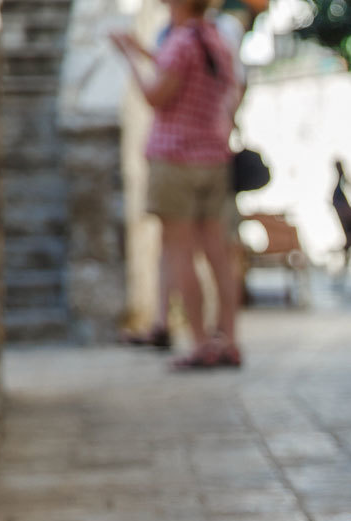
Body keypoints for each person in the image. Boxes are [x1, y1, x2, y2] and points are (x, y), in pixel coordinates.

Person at [112, 0, 241, 369]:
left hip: (176, 158)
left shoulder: (182, 41)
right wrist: (143, 51)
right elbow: (185, 73)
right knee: (218, 254)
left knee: (179, 251)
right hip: (213, 158)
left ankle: (200, 343)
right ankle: (229, 341)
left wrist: (129, 58)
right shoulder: (216, 39)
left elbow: (156, 96)